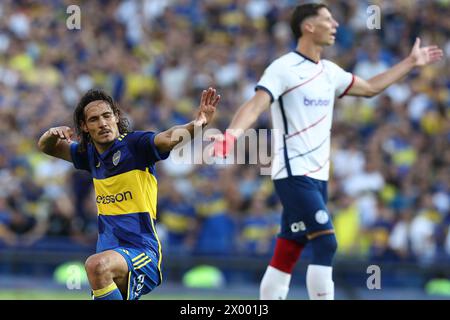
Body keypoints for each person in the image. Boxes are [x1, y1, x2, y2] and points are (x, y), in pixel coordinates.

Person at [213, 3, 442, 300]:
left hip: (318, 177)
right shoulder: (283, 68)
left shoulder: (330, 73)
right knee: (326, 243)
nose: (335, 24)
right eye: (327, 19)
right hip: (293, 172)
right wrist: (231, 135)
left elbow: (371, 88)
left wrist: (410, 63)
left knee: (289, 248)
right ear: (308, 26)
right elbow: (256, 104)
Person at [37, 87, 220, 300]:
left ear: (116, 117)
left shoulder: (135, 145)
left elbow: (169, 137)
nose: (103, 123)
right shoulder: (88, 155)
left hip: (141, 251)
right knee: (98, 266)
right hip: (112, 259)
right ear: (85, 127)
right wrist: (51, 134)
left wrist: (199, 124)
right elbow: (46, 147)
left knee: (96, 264)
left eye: (107, 116)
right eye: (94, 119)